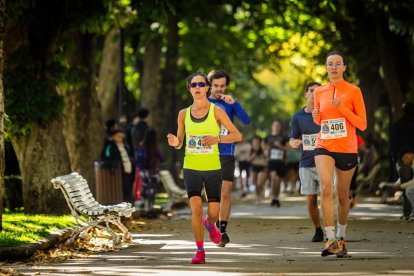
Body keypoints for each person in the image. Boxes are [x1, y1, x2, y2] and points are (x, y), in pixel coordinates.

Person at [167, 71, 242, 264]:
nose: (198, 88)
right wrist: (176, 142)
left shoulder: (216, 111)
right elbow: (180, 142)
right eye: (194, 85)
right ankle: (200, 251)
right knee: (196, 209)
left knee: (213, 214)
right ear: (189, 89)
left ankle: (210, 225)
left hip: (212, 167)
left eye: (201, 84)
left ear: (207, 87)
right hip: (191, 166)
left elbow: (237, 135)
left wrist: (216, 139)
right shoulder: (183, 114)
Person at [312, 51, 367, 258]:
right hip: (324, 145)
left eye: (338, 64)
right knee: (326, 188)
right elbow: (319, 120)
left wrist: (342, 108)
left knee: (343, 196)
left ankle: (341, 238)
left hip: (346, 148)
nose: (334, 67)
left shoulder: (354, 91)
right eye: (330, 64)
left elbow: (362, 123)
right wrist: (316, 116)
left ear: (344, 67)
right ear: (326, 68)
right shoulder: (319, 92)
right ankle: (329, 239)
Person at [207, 69, 251, 247]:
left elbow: (246, 121)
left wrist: (235, 103)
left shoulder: (230, 103)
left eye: (222, 86)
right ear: (209, 85)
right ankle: (211, 224)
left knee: (225, 192)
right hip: (207, 154)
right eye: (216, 85)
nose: (219, 89)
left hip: (226, 153)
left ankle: (222, 229)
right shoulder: (203, 102)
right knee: (213, 196)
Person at [289, 81, 324, 242]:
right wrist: (293, 142)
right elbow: (292, 138)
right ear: (306, 94)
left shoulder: (326, 113)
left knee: (327, 196)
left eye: (318, 91)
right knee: (311, 198)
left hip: (325, 161)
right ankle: (318, 229)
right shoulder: (298, 117)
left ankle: (333, 229)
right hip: (306, 162)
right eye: (311, 91)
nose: (314, 93)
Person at [135, 128, 165, 217]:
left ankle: (144, 207)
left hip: (143, 172)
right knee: (152, 190)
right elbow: (162, 159)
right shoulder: (155, 148)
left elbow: (137, 160)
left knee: (145, 188)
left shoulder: (142, 147)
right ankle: (150, 208)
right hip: (153, 172)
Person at [103, 129, 135, 204]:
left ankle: (130, 205)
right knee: (122, 189)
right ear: (113, 137)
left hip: (128, 170)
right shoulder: (110, 147)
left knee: (128, 189)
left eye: (121, 136)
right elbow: (107, 158)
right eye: (118, 136)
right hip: (118, 173)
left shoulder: (126, 146)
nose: (121, 138)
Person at [266, 120, 289, 207]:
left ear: (280, 127)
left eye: (278, 125)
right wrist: (265, 151)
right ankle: (273, 197)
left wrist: (281, 146)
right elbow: (264, 145)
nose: (276, 127)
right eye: (275, 125)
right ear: (272, 126)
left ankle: (277, 197)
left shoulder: (284, 137)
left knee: (278, 181)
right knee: (273, 178)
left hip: (281, 161)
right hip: (272, 161)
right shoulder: (268, 136)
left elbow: (287, 148)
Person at [249, 136, 268, 205]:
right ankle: (258, 197)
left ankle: (262, 190)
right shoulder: (251, 149)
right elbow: (248, 159)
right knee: (255, 183)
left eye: (257, 141)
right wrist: (252, 157)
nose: (255, 142)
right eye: (254, 141)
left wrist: (263, 147)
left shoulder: (263, 148)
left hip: (262, 167)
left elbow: (266, 155)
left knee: (259, 183)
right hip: (254, 167)